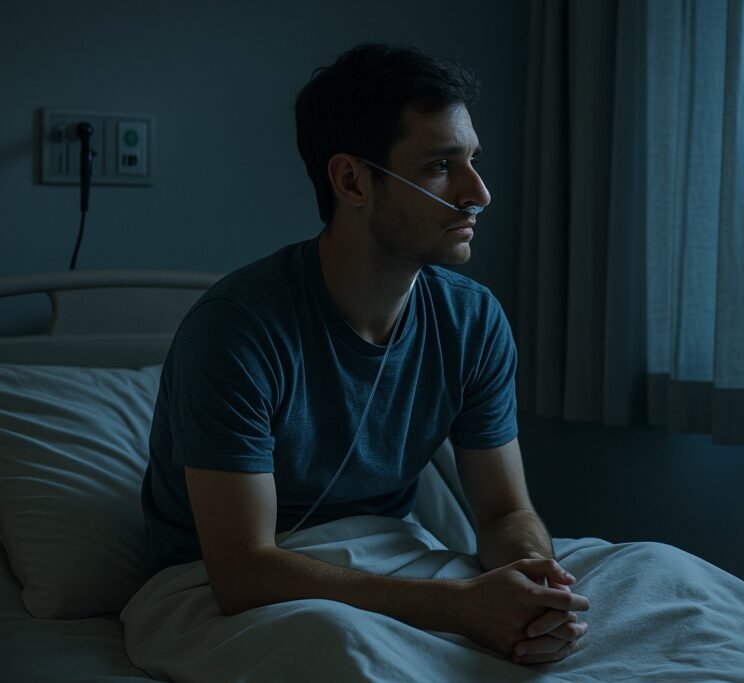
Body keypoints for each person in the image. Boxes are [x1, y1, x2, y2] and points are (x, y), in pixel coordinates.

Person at [138, 42, 589, 666]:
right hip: (216, 589)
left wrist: (535, 582)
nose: (479, 193)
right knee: (343, 649)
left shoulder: (472, 320)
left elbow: (504, 510)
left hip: (393, 557)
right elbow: (242, 573)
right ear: (351, 180)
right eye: (440, 166)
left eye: (474, 161)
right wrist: (461, 607)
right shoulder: (237, 330)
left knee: (656, 569)